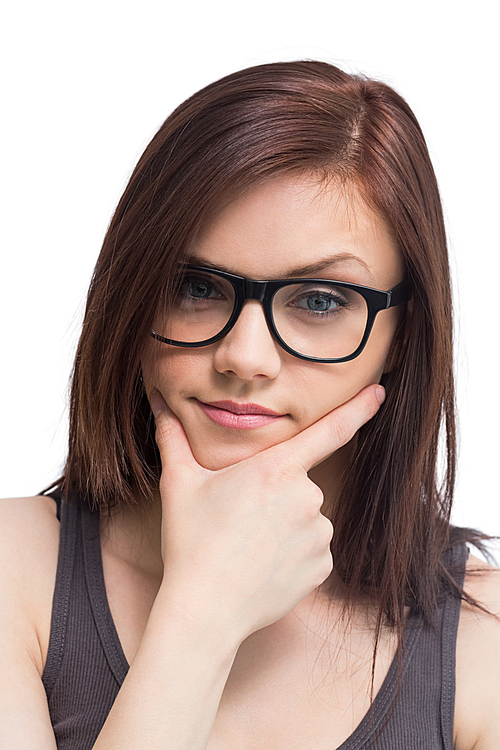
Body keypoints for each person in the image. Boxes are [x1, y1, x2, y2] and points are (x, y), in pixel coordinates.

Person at [1, 60, 499, 750]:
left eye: (321, 301)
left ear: (401, 334)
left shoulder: (485, 639)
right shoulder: (15, 567)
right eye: (197, 286)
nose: (244, 356)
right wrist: (201, 613)